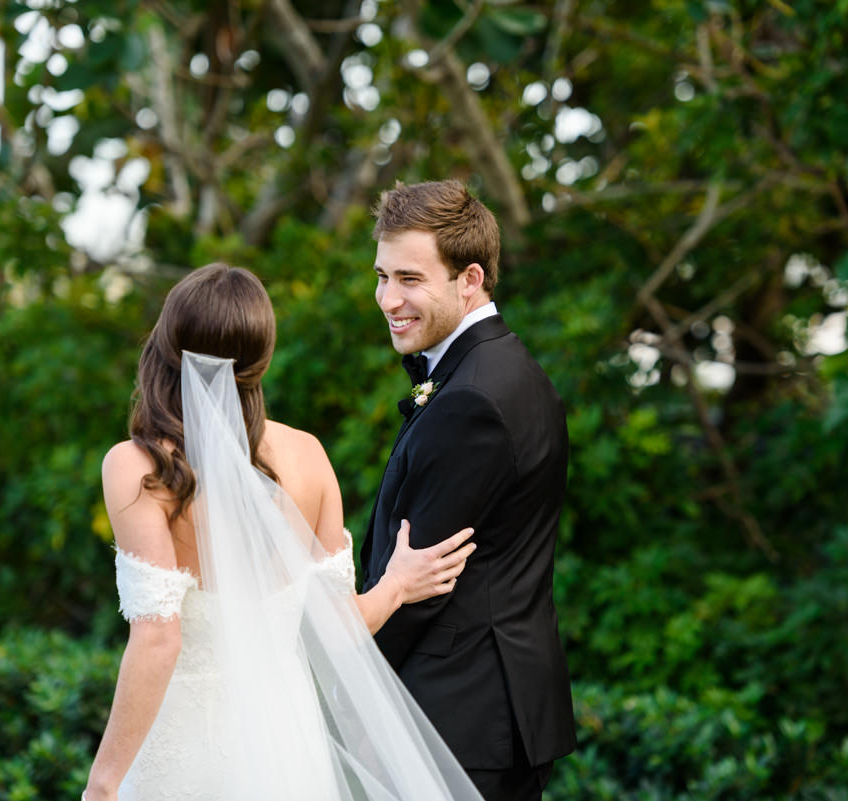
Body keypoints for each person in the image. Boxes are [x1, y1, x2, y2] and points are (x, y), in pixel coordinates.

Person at [82, 264, 484, 801]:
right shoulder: (308, 455)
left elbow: (158, 638)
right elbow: (338, 630)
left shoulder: (137, 467)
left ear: (167, 345)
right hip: (289, 751)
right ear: (262, 361)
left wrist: (102, 784)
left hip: (188, 751)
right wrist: (396, 586)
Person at [360, 180, 577, 801]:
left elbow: (421, 585)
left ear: (470, 279)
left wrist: (354, 688)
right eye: (382, 276)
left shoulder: (472, 400)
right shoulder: (506, 368)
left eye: (409, 279)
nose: (388, 299)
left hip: (455, 722)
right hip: (489, 713)